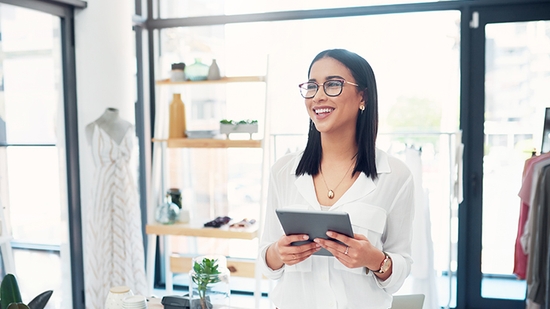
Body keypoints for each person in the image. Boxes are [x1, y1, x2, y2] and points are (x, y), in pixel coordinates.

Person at [258, 49, 415, 309]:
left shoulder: (396, 176)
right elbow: (269, 264)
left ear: (362, 96)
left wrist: (374, 259)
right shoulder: (283, 171)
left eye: (332, 85)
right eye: (312, 86)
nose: (318, 96)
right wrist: (278, 253)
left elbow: (400, 269)